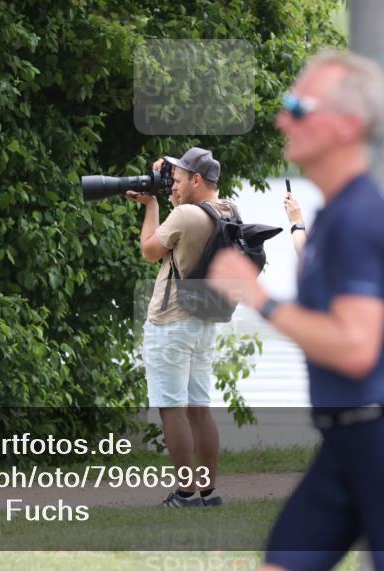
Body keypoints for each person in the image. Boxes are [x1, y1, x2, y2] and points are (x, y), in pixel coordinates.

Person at [208, 51, 384, 571]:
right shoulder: (344, 213)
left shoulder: (358, 217)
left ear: (346, 126)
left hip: (383, 445)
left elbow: (356, 350)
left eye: (297, 106)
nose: (281, 118)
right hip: (343, 446)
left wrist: (259, 297)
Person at [127, 147, 237, 507]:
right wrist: (169, 183)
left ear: (197, 180)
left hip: (170, 321)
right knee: (199, 409)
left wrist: (151, 205)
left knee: (171, 408)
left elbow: (149, 249)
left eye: (178, 180)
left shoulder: (186, 215)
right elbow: (189, 223)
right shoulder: (229, 209)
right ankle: (208, 491)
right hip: (203, 321)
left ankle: (185, 492)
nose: (172, 185)